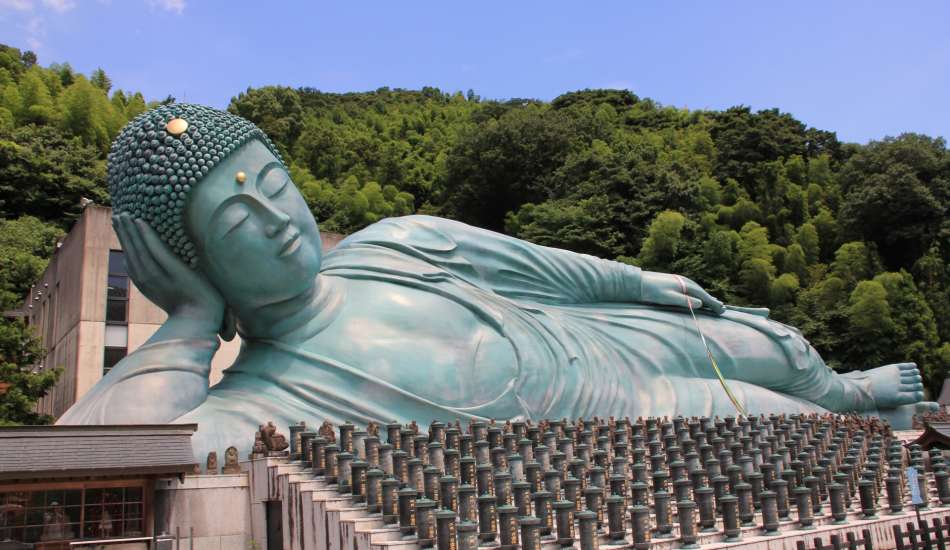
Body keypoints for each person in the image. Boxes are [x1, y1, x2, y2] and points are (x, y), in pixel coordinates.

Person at [58, 105, 934, 458]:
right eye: (239, 223)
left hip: (593, 335)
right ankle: (859, 420)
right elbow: (105, 460)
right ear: (192, 260)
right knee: (809, 438)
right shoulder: (260, 399)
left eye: (275, 182)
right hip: (616, 419)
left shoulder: (394, 242)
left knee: (767, 342)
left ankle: (849, 387)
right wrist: (188, 326)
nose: (281, 218)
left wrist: (637, 277)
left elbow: (541, 266)